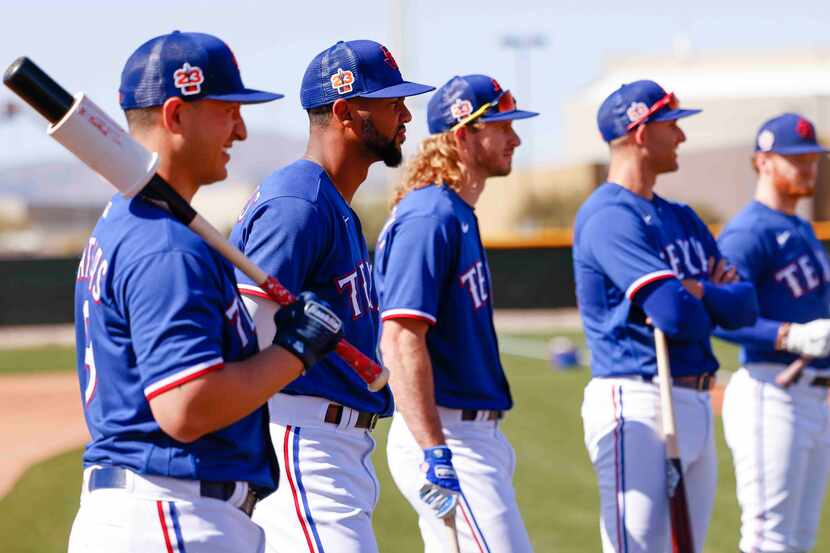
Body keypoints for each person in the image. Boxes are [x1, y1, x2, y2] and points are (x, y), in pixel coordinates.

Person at [68, 31, 345, 553]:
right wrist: (298, 350)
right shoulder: (165, 244)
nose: (240, 130)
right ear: (175, 117)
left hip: (152, 508)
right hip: (171, 512)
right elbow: (186, 408)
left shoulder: (128, 223)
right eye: (227, 111)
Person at [230, 39, 433, 553]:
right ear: (346, 112)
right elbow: (242, 338)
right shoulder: (297, 203)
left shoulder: (329, 200)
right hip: (302, 439)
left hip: (335, 444)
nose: (406, 114)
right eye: (391, 103)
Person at [572, 79, 759, 553]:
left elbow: (745, 306)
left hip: (693, 395)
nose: (682, 137)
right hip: (638, 395)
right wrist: (702, 294)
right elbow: (674, 314)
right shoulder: (609, 215)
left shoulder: (682, 216)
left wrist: (699, 294)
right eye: (670, 124)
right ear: (639, 132)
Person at [374, 74, 537, 552]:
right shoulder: (430, 216)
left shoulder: (455, 212)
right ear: (464, 134)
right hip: (447, 435)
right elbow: (400, 338)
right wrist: (433, 448)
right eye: (502, 125)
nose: (516, 138)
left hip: (470, 433)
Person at [716, 113, 830, 553]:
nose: (808, 168)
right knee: (770, 539)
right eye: (794, 159)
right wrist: (789, 337)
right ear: (762, 162)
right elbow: (717, 315)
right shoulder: (748, 232)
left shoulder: (800, 227)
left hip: (813, 398)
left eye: (812, 159)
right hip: (771, 390)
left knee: (799, 539)